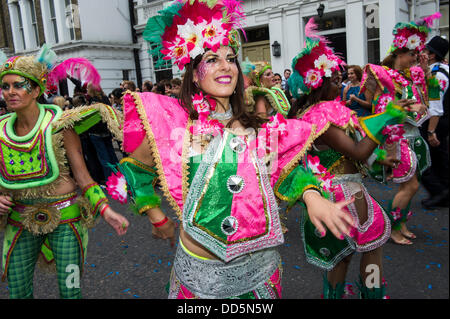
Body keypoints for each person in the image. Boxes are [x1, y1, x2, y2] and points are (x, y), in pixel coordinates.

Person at [110, 0, 356, 300]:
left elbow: (283, 172)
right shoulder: (174, 123)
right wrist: (155, 215)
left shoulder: (257, 126)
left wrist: (312, 196)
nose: (226, 66)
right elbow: (136, 168)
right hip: (197, 275)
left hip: (258, 272)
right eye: (212, 59)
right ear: (195, 73)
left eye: (230, 58)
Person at [287, 18, 405, 299]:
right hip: (344, 192)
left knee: (344, 256)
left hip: (336, 190)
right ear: (320, 84)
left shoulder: (315, 113)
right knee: (369, 247)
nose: (341, 83)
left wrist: (378, 162)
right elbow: (358, 151)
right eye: (336, 80)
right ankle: (372, 294)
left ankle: (336, 295)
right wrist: (389, 114)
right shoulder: (322, 115)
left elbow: (350, 153)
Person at [0, 47, 129, 299]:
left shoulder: (60, 126)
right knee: (16, 291)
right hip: (20, 218)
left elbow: (83, 177)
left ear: (36, 90)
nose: (10, 92)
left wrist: (106, 210)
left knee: (71, 291)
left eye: (19, 85)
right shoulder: (1, 131)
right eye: (5, 86)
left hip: (65, 217)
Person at [360, 13, 440, 245]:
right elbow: (381, 108)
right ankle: (392, 227)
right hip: (397, 138)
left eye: (417, 54)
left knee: (411, 185)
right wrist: (405, 109)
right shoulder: (385, 76)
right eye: (412, 54)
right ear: (399, 54)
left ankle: (401, 222)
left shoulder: (408, 79)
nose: (416, 57)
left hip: (411, 135)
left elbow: (427, 101)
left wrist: (424, 76)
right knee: (411, 185)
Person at [420, 35, 449, 209]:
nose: (421, 53)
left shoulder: (436, 76)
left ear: (431, 55)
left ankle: (439, 192)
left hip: (435, 122)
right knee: (440, 159)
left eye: (425, 50)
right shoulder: (444, 69)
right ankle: (444, 194)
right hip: (444, 121)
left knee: (425, 159)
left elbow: (435, 106)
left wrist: (431, 131)